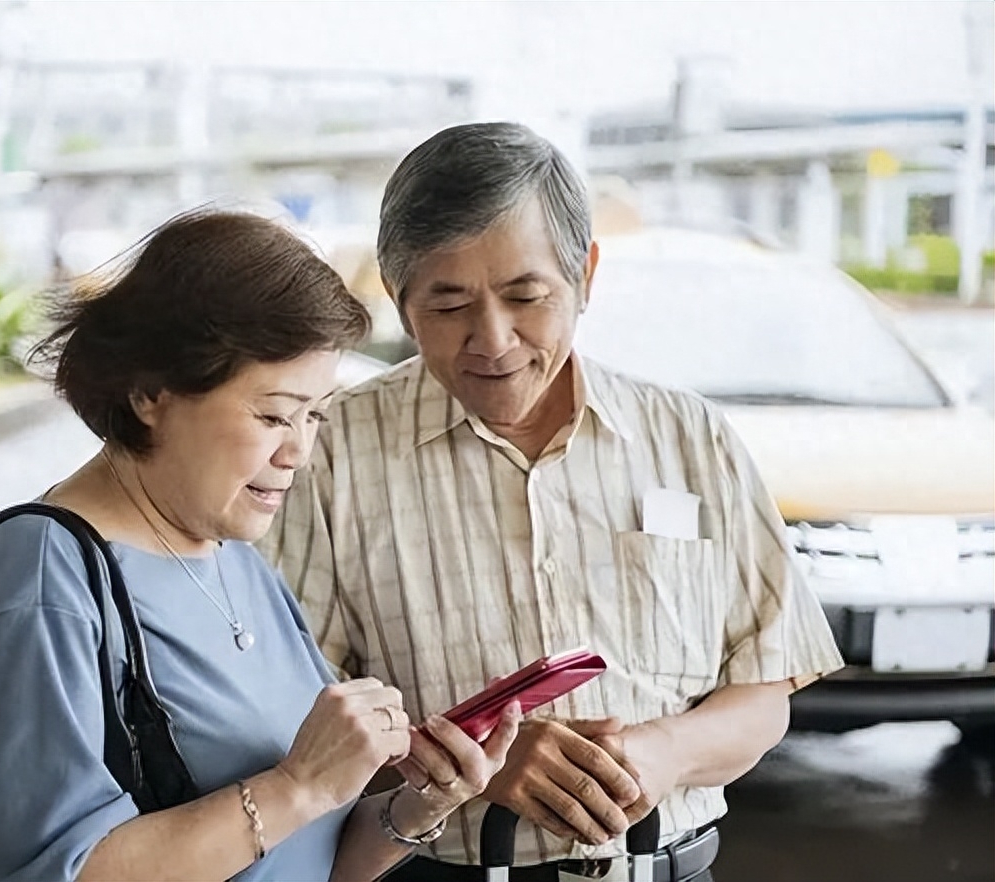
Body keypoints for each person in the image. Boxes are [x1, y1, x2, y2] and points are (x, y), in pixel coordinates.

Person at [258, 122, 844, 882]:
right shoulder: (328, 453)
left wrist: (664, 750)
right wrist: (473, 768)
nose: (493, 340)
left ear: (586, 276)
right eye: (449, 306)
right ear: (402, 306)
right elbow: (289, 719)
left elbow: (765, 691)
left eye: (526, 297)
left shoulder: (692, 437)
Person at [0, 210, 521, 882]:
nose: (298, 451)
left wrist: (413, 807)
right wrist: (298, 786)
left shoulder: (232, 555)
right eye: (271, 414)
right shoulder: (41, 582)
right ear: (151, 391)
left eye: (314, 414)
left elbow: (305, 857)